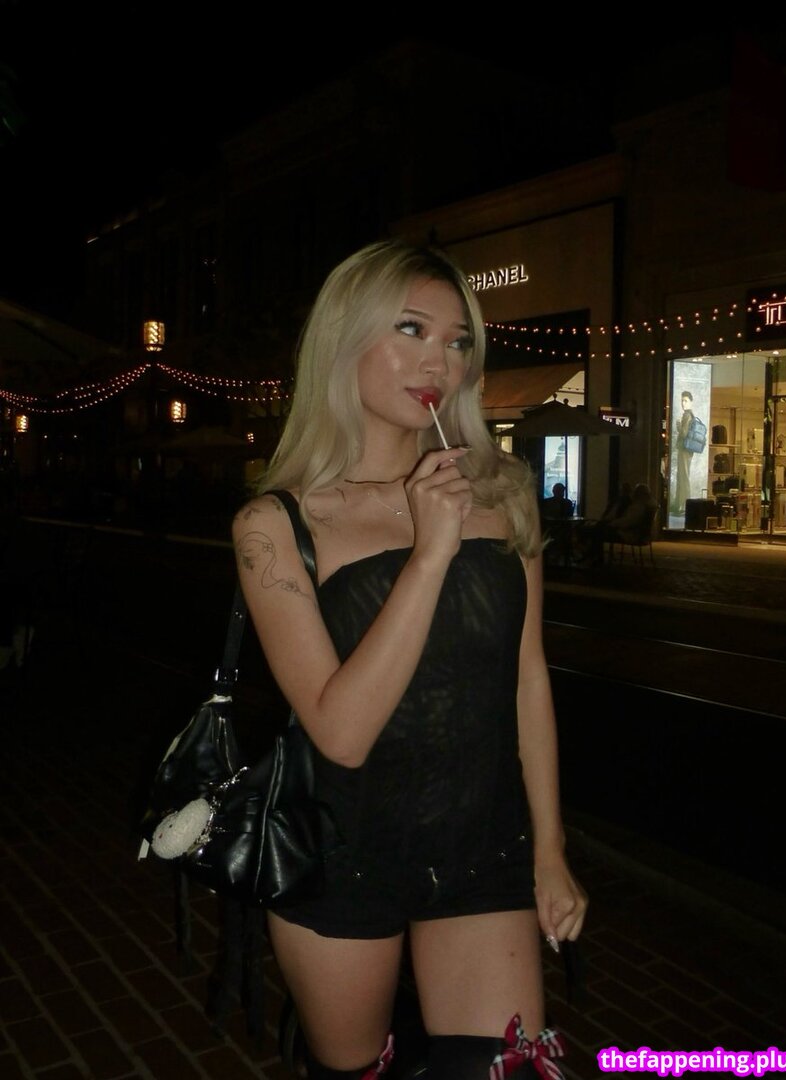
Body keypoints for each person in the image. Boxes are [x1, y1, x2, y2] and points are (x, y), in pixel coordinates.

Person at [232, 239, 587, 1079]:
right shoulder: (276, 525)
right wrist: (429, 553)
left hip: (484, 849)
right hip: (343, 855)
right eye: (411, 329)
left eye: (459, 341)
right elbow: (341, 733)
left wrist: (549, 849)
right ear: (344, 338)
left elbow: (527, 677)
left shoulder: (502, 491)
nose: (441, 362)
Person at [576, 483, 657, 565]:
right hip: (636, 534)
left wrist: (613, 524)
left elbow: (627, 521)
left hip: (628, 534)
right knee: (598, 530)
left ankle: (592, 556)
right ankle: (593, 556)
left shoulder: (639, 506)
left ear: (639, 493)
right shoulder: (648, 505)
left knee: (598, 532)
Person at [672, 390, 695, 515]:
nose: (683, 403)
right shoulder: (690, 415)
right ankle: (681, 505)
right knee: (683, 476)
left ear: (691, 402)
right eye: (682, 401)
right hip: (687, 450)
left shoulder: (687, 415)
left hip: (685, 450)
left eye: (685, 401)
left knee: (683, 477)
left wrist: (678, 426)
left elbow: (684, 433)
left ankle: (684, 506)